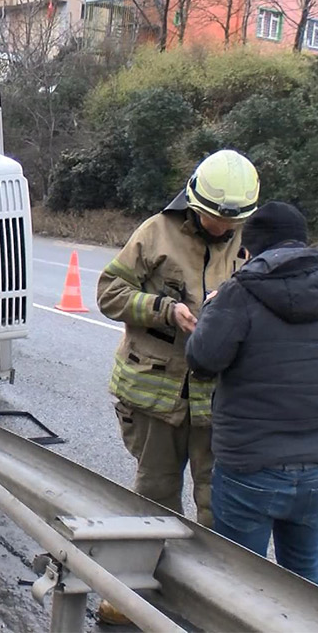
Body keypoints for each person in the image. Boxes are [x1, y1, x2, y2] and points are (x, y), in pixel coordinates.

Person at [186, 202, 318, 586]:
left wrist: (213, 309)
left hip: (250, 464)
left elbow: (202, 360)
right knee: (303, 578)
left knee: (241, 582)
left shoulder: (240, 292)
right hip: (317, 466)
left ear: (250, 250)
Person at [97, 149, 260, 530]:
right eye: (215, 219)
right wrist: (164, 309)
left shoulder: (248, 243)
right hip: (154, 393)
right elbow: (109, 293)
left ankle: (208, 585)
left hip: (216, 399)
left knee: (217, 502)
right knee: (156, 498)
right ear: (193, 202)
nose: (223, 229)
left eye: (231, 222)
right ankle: (152, 583)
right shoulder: (156, 233)